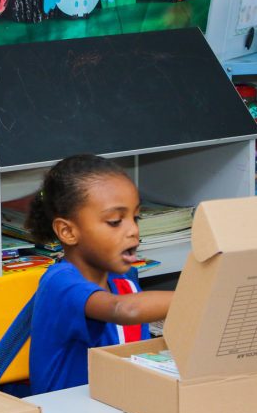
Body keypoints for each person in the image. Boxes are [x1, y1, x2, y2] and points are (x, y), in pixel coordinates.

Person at [24, 154, 172, 394]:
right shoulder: (60, 283)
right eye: (115, 221)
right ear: (68, 231)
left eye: (135, 217)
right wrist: (200, 294)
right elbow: (123, 310)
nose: (133, 230)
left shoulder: (124, 282)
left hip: (115, 407)